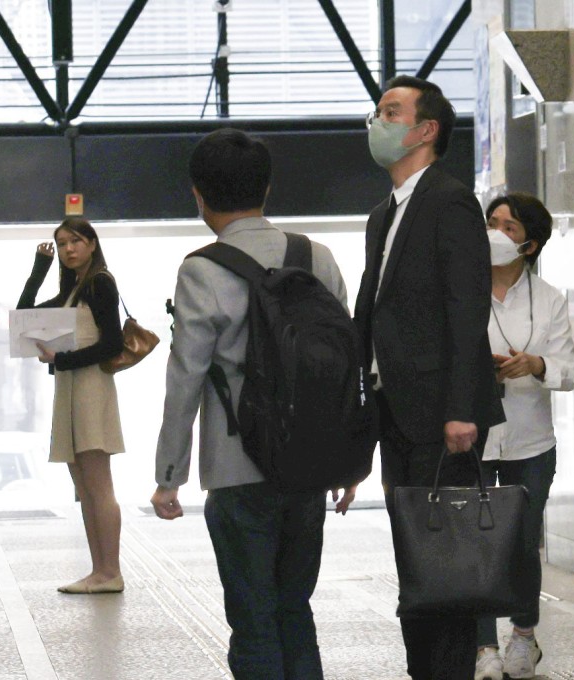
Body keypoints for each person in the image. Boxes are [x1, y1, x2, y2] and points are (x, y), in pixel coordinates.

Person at [151, 128, 354, 680]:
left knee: (253, 618)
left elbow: (185, 376)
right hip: (311, 464)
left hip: (238, 467)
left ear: (198, 194)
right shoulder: (317, 256)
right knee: (295, 608)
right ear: (266, 187)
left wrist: (170, 475)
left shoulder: (202, 269)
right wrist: (346, 457)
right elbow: (345, 360)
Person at [353, 75, 505, 680]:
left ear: (426, 130)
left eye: (391, 112)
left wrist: (461, 407)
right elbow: (375, 312)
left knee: (445, 564)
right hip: (397, 412)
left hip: (443, 418)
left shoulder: (448, 200)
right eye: (377, 111)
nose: (377, 122)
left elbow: (466, 308)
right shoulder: (384, 214)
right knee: (417, 561)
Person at [474, 193, 574, 680]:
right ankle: (481, 647)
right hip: (474, 435)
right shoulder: (462, 290)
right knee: (476, 540)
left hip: (531, 440)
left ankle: (523, 637)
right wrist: (482, 373)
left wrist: (534, 365)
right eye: (491, 222)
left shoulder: (551, 299)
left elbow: (568, 370)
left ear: (529, 243)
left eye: (508, 226)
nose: (495, 232)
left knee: (519, 543)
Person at [16, 216, 126, 594]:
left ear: (92, 244)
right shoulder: (73, 290)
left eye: (76, 241)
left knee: (98, 484)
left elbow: (111, 344)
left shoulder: (99, 283)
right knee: (83, 483)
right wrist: (39, 270)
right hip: (71, 385)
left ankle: (110, 571)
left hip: (91, 387)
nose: (68, 249)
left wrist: (62, 361)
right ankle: (100, 570)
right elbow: (24, 317)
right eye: (62, 244)